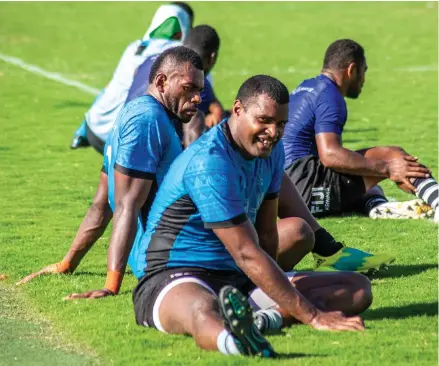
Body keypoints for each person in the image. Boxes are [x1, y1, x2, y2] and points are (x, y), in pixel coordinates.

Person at [132, 75, 371, 357]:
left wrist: (274, 290)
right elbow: (246, 251)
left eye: (281, 123)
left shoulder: (271, 150)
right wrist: (312, 315)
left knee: (356, 288)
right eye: (264, 120)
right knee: (202, 308)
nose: (273, 132)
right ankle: (235, 343)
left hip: (237, 277)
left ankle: (261, 321)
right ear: (237, 110)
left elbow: (267, 234)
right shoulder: (209, 162)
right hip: (174, 275)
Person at [16, 47, 205, 300]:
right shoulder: (147, 120)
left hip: (163, 253)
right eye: (189, 88)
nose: (197, 98)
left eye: (199, 91)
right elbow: (127, 204)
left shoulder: (135, 112)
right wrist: (110, 286)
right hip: (173, 257)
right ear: (161, 81)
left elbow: (102, 204)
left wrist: (66, 264)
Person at [282, 39, 438, 222]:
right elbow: (330, 155)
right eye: (364, 71)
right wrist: (388, 168)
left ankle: (377, 207)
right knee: (393, 155)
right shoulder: (330, 96)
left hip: (286, 193)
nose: (363, 79)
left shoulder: (306, 87)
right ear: (352, 70)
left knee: (370, 184)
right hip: (306, 187)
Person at [70, 2, 193, 153]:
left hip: (94, 129)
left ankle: (80, 134)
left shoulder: (135, 47)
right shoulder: (179, 58)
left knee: (112, 88)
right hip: (125, 139)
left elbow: (109, 87)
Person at [126, 24, 223, 147]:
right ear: (212, 57)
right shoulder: (190, 79)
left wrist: (216, 111)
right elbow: (193, 131)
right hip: (149, 153)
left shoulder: (153, 60)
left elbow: (212, 102)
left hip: (119, 138)